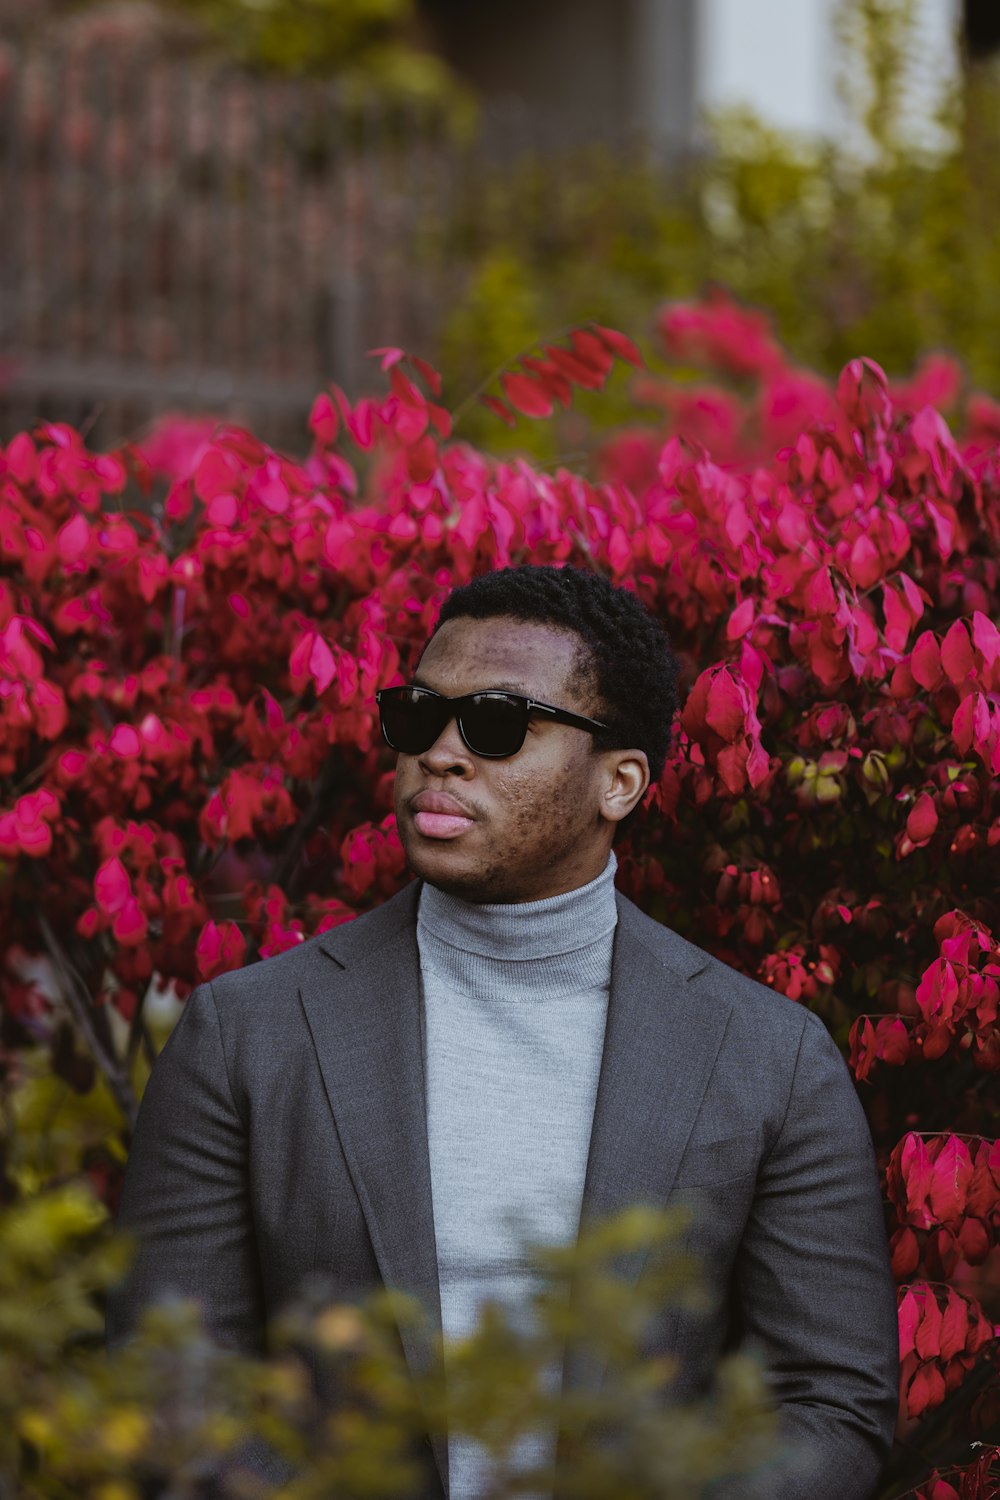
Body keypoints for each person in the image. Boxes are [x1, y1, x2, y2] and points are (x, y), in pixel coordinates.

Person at [107, 564, 900, 1500]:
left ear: (620, 783)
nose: (440, 753)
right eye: (418, 717)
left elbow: (832, 1405)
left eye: (495, 724)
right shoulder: (247, 1036)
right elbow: (172, 1384)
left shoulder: (770, 1060)